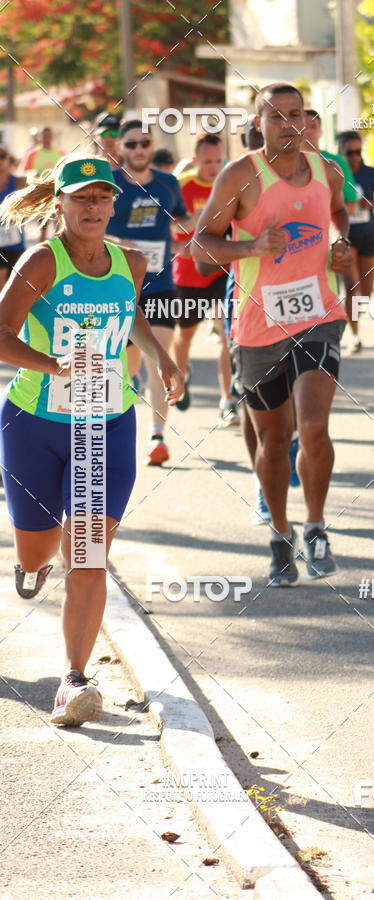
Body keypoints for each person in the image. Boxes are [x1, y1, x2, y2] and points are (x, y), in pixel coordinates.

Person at [0, 154, 183, 726]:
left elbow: (130, 318)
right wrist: (53, 364)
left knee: (87, 554)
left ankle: (74, 681)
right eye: (81, 198)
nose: (93, 207)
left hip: (104, 423)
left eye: (102, 197)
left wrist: (161, 357)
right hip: (34, 423)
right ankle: (30, 568)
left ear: (113, 203)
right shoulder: (40, 262)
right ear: (59, 204)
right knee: (36, 548)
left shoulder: (129, 260)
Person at [192, 82, 352, 586]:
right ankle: (280, 535)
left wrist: (343, 241)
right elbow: (201, 246)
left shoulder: (327, 168)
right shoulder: (241, 176)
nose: (290, 123)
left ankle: (317, 527)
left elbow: (340, 210)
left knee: (313, 425)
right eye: (277, 115)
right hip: (258, 323)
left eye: (297, 114)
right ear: (257, 123)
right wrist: (253, 248)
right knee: (275, 438)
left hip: (319, 315)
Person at [106, 119, 199, 465]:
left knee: (159, 358)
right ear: (120, 149)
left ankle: (157, 436)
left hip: (159, 285)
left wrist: (206, 218)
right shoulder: (109, 184)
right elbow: (84, 227)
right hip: (116, 287)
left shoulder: (168, 183)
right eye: (131, 145)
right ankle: (125, 397)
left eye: (144, 143)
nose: (139, 150)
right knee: (127, 364)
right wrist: (119, 242)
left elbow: (180, 221)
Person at [171, 133, 237, 423]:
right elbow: (169, 226)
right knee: (185, 335)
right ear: (195, 160)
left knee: (227, 336)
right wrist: (190, 228)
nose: (213, 167)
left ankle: (228, 400)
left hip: (224, 271)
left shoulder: (232, 183)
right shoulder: (181, 185)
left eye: (218, 161)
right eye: (207, 161)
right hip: (189, 274)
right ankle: (181, 375)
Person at [338, 130, 374, 353]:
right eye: (349, 152)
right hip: (345, 236)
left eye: (358, 152)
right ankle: (355, 335)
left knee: (366, 291)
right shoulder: (334, 172)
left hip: (368, 233)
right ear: (340, 152)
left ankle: (354, 324)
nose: (354, 157)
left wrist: (373, 205)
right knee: (351, 287)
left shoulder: (371, 173)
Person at [302, 110, 359, 215]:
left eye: (313, 126)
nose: (308, 131)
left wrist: (319, 213)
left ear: (320, 131)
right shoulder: (284, 163)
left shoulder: (337, 162)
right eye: (303, 127)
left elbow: (352, 206)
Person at [0, 144, 26, 291]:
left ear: (9, 160)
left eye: (2, 156)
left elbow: (37, 206)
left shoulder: (19, 183)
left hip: (16, 244)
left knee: (14, 283)